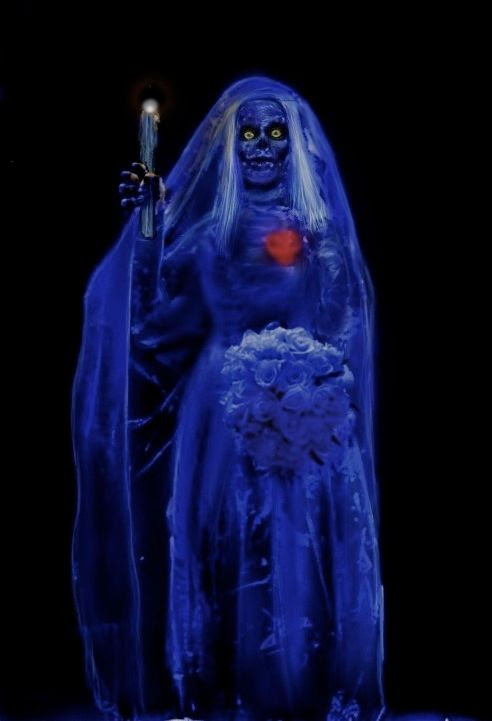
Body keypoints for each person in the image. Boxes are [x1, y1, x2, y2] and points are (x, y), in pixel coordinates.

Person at [71, 76, 386, 721]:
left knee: (300, 546)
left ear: (295, 144)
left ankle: (299, 690)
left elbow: (343, 320)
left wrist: (312, 386)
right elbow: (151, 319)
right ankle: (223, 693)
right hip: (220, 415)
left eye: (274, 133)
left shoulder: (319, 234)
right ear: (229, 145)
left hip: (306, 413)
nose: (261, 146)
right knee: (227, 541)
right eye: (247, 133)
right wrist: (148, 231)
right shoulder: (211, 235)